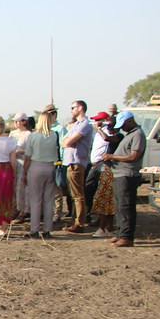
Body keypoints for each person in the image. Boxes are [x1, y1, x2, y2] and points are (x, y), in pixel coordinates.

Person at [102, 111, 147, 247]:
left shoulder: (138, 134)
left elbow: (134, 156)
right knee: (120, 206)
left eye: (123, 125)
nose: (121, 128)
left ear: (130, 121)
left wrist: (112, 157)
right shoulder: (130, 134)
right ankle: (120, 233)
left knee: (126, 206)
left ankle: (127, 237)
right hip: (120, 174)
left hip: (128, 174)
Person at [22, 109, 60, 239]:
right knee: (49, 200)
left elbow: (28, 157)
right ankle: (47, 229)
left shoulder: (33, 136)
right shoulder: (54, 135)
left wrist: (24, 173)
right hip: (50, 167)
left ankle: (34, 229)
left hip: (36, 166)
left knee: (35, 200)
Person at [59, 100, 94, 233]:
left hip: (76, 162)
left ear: (80, 108)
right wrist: (67, 142)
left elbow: (69, 141)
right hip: (70, 162)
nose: (71, 110)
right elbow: (64, 141)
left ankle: (79, 223)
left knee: (78, 194)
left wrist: (67, 142)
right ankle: (75, 220)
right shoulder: (75, 125)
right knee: (73, 194)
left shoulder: (84, 124)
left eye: (73, 107)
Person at [85, 111, 117, 237]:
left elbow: (107, 138)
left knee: (104, 198)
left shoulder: (111, 134)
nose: (96, 122)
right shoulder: (99, 133)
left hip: (105, 167)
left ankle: (103, 227)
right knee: (95, 193)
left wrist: (100, 129)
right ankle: (104, 226)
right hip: (99, 165)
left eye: (99, 120)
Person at [9, 113, 32, 223]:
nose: (16, 123)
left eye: (18, 121)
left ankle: (22, 212)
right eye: (15, 121)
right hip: (13, 162)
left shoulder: (28, 134)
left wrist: (21, 152)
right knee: (13, 186)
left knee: (21, 187)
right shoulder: (12, 134)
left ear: (24, 121)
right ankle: (14, 209)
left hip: (23, 162)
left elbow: (31, 150)